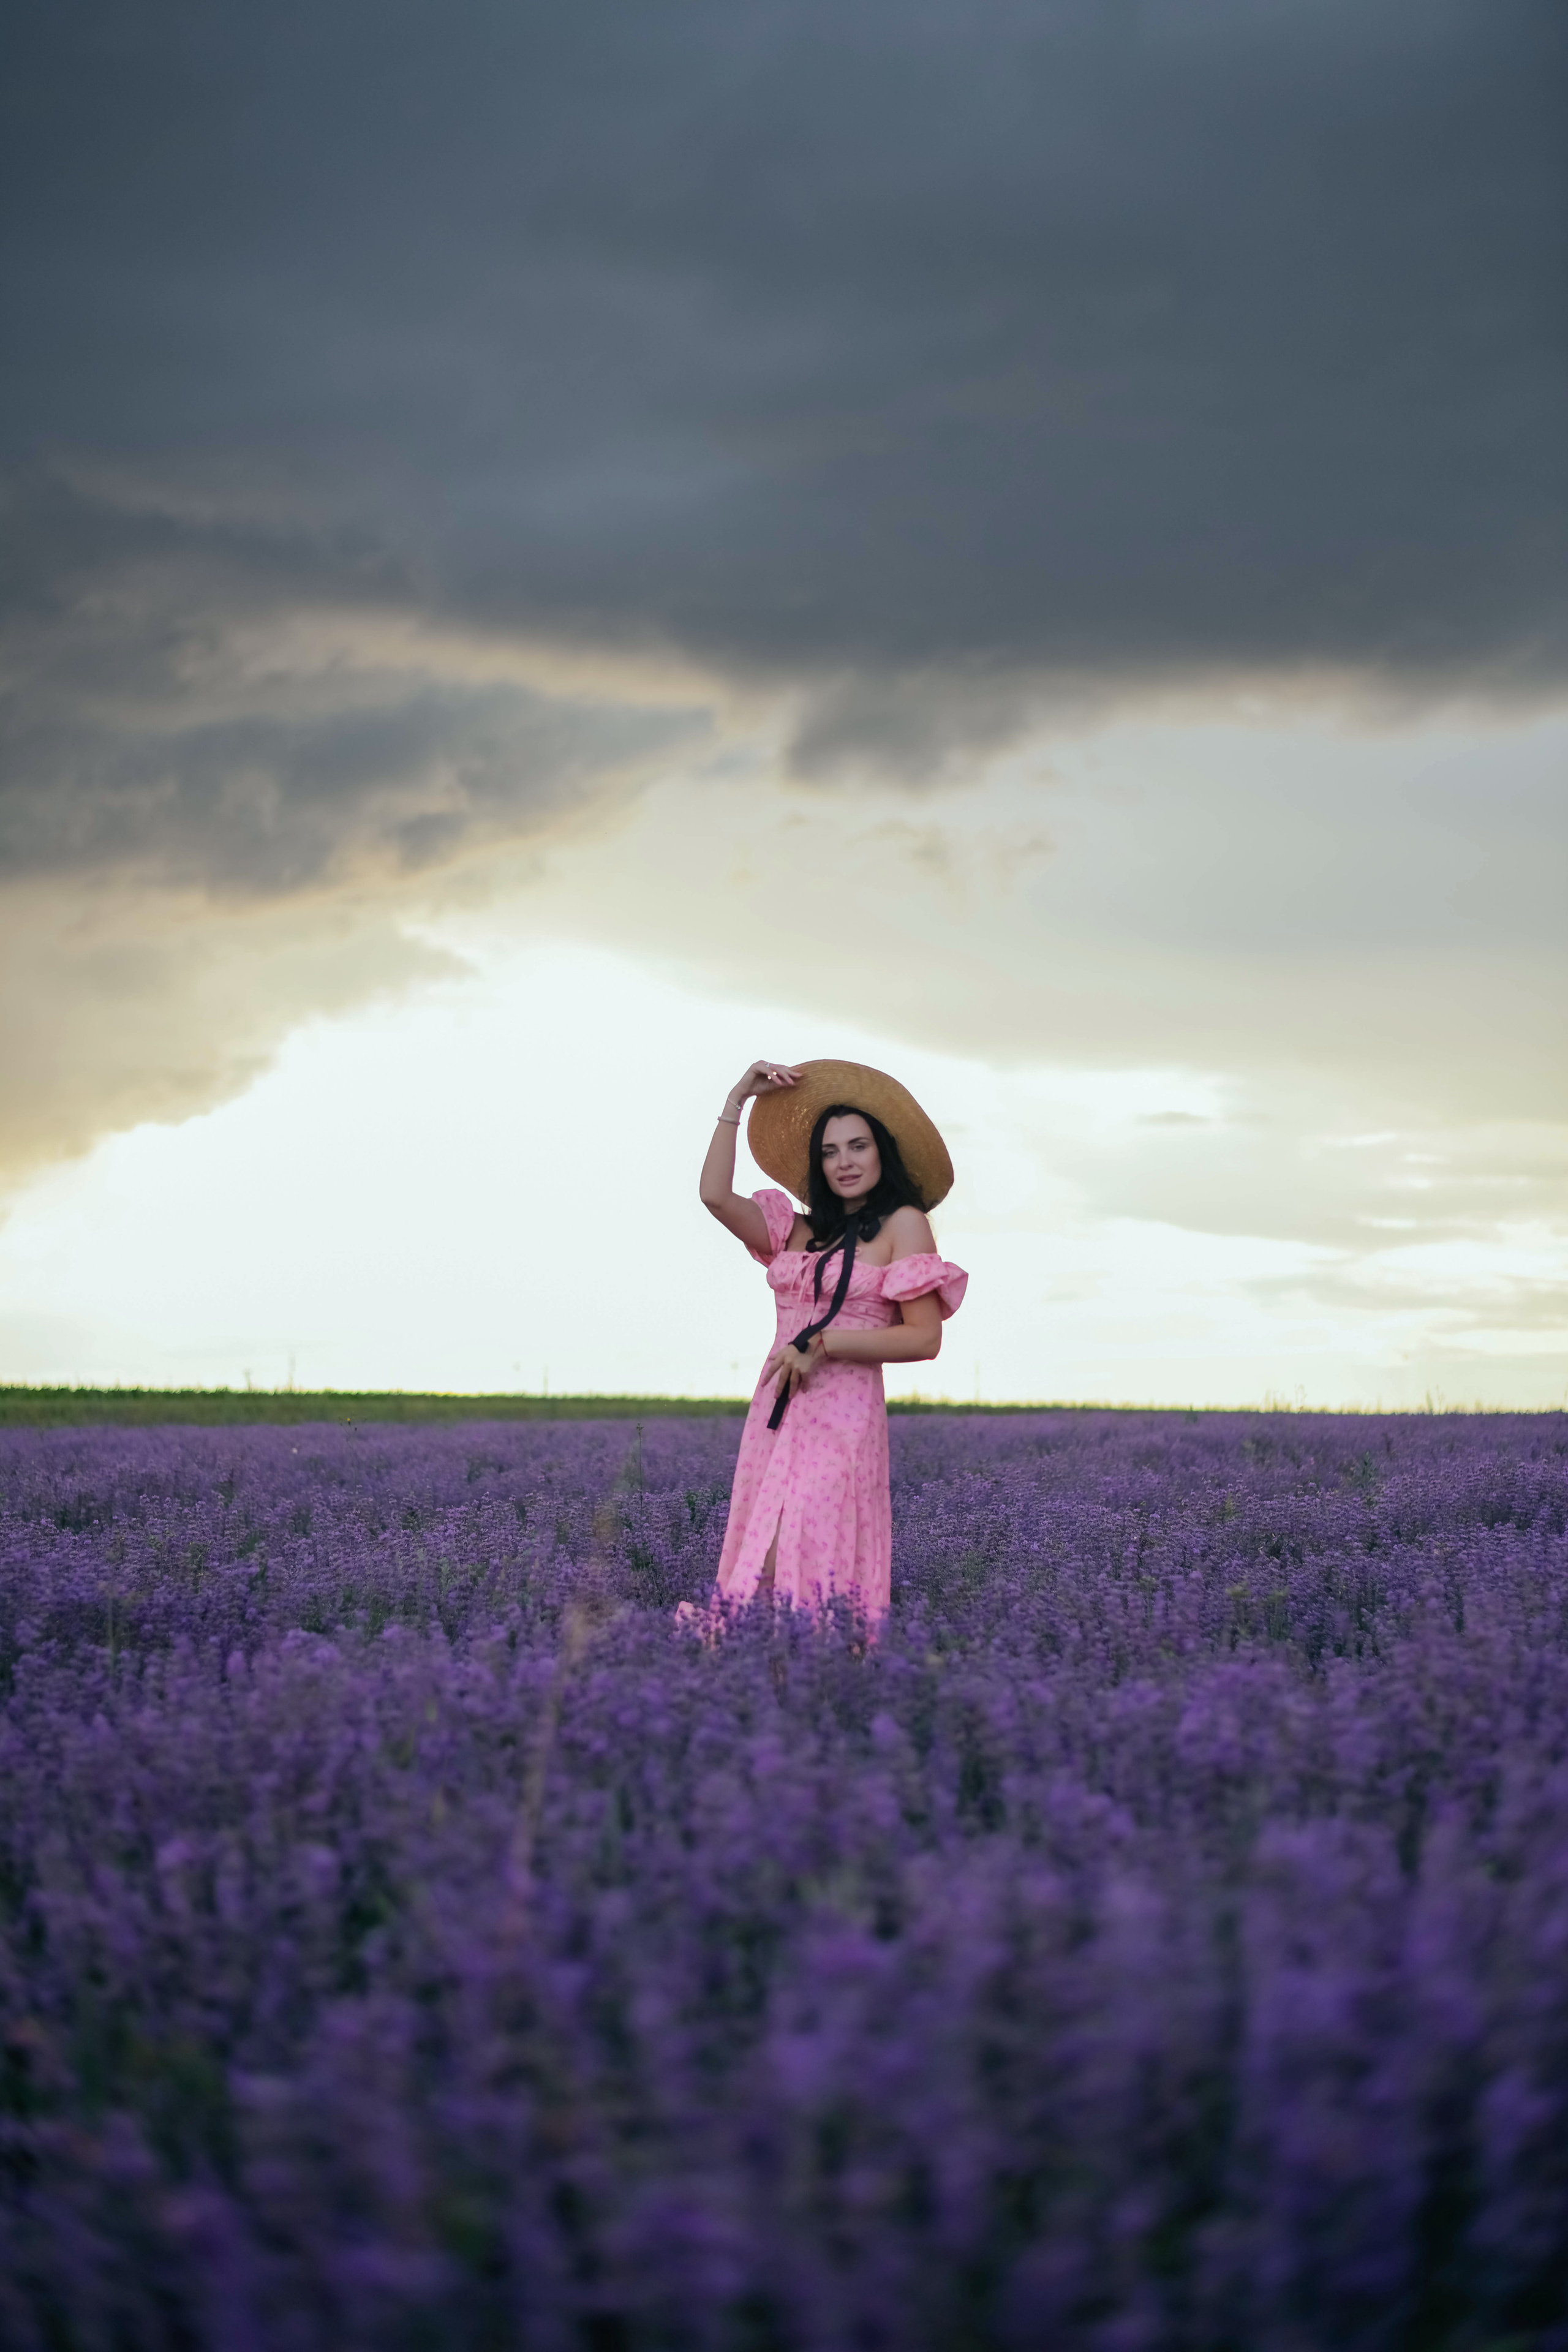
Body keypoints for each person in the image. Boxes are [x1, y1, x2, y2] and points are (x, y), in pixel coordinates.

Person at [694, 1057, 968, 1627]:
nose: (845, 1162)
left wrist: (826, 1344)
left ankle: (819, 1671)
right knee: (763, 1550)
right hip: (778, 1407)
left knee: (813, 1544)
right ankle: (761, 1681)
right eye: (830, 1151)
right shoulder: (795, 1230)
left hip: (844, 1414)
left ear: (881, 1152)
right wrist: (736, 1099)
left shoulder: (903, 1224)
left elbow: (924, 1338)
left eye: (858, 1146)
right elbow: (715, 1197)